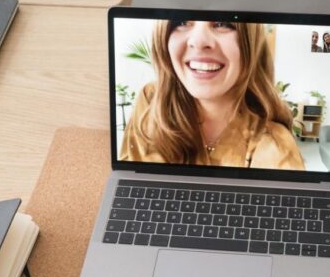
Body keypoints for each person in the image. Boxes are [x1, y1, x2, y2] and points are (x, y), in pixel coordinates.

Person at [120, 20, 305, 170]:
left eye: (222, 23)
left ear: (251, 42)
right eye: (182, 21)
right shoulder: (151, 100)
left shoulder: (274, 145)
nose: (198, 41)